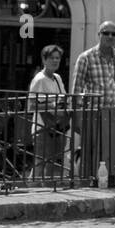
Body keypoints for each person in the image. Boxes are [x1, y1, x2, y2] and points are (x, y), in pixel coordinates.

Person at [72, 21, 115, 187]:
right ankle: (89, 185)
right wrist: (77, 116)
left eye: (114, 34)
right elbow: (77, 89)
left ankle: (112, 185)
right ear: (99, 34)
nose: (110, 37)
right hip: (93, 114)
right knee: (92, 153)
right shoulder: (85, 58)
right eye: (106, 33)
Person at [30, 44, 68, 183]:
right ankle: (33, 189)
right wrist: (52, 105)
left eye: (58, 58)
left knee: (53, 162)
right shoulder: (39, 79)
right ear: (44, 60)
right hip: (42, 127)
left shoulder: (57, 78)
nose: (55, 61)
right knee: (40, 161)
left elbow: (63, 97)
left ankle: (47, 188)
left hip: (57, 126)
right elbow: (31, 105)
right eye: (52, 58)